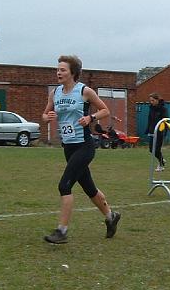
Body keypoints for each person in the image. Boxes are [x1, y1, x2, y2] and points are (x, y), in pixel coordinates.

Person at [41, 55, 121, 244]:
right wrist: (47, 117)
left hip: (84, 146)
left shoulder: (84, 91)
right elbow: (45, 114)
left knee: (64, 186)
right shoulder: (55, 93)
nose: (58, 72)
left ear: (73, 73)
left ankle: (61, 231)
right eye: (58, 69)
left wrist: (90, 118)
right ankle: (111, 217)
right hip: (68, 147)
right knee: (89, 188)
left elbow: (105, 110)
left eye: (62, 70)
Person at [145, 93, 167, 171]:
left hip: (160, 132)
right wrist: (148, 130)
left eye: (153, 100)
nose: (151, 102)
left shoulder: (163, 109)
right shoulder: (151, 108)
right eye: (150, 100)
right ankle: (162, 159)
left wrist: (164, 131)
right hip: (152, 131)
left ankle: (161, 165)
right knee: (151, 149)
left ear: (157, 100)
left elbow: (165, 121)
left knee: (157, 149)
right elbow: (149, 120)